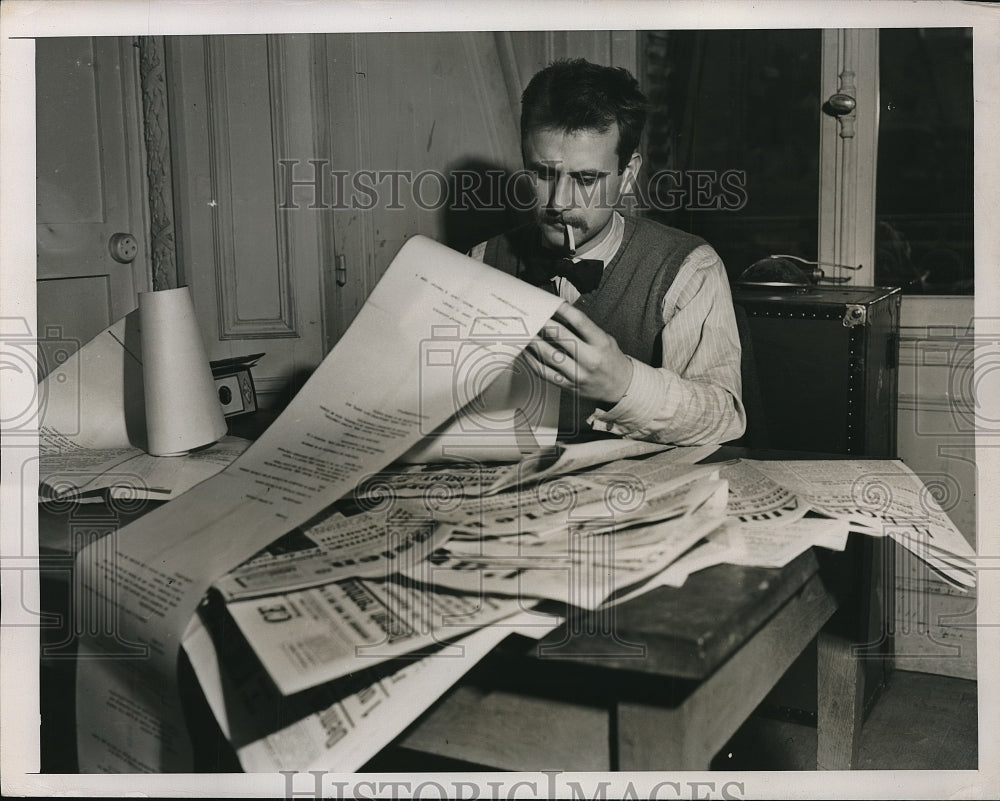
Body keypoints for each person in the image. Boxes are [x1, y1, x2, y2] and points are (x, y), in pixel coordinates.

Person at [468, 58, 745, 446]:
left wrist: (623, 383)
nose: (559, 202)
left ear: (628, 174)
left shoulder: (690, 268)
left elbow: (722, 417)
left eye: (585, 179)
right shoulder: (480, 261)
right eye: (543, 173)